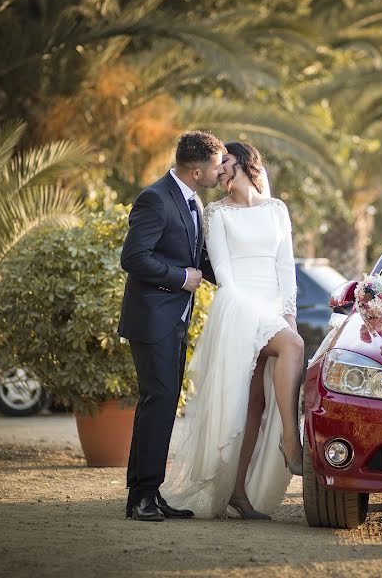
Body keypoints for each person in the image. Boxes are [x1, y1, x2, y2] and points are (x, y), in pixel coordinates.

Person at [161, 142, 305, 520]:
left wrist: (286, 314)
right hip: (239, 310)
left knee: (255, 405)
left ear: (241, 161)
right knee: (248, 400)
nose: (217, 169)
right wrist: (259, 318)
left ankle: (240, 494)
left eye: (222, 160)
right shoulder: (217, 214)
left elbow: (285, 267)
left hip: (272, 310)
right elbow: (223, 275)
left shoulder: (277, 210)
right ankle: (292, 439)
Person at [118, 130, 224, 522]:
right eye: (216, 167)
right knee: (157, 404)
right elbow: (133, 258)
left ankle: (150, 492)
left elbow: (205, 262)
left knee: (162, 406)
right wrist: (180, 277)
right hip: (153, 321)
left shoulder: (191, 200)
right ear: (197, 171)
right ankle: (140, 498)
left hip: (174, 321)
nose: (219, 174)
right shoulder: (155, 199)